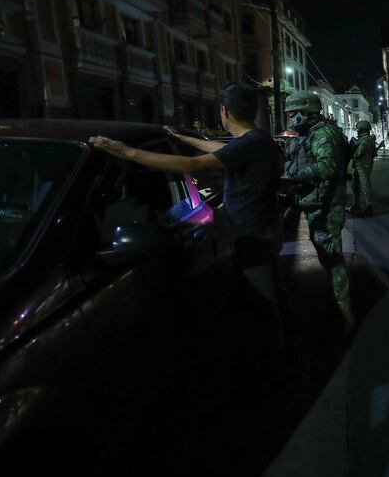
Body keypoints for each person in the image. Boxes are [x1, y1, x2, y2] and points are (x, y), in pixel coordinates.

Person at [89, 82, 286, 375]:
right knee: (259, 300)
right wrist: (187, 138)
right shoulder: (258, 140)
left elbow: (191, 164)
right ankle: (271, 358)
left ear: (224, 112)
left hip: (253, 237)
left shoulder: (250, 144)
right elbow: (220, 149)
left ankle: (272, 369)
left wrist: (127, 153)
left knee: (263, 305)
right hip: (260, 231)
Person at [283, 90, 355, 334]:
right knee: (327, 255)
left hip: (326, 204)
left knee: (332, 257)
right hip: (315, 201)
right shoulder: (309, 135)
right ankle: (339, 305)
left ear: (308, 113)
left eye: (294, 114)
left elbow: (328, 165)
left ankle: (347, 316)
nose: (291, 119)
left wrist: (291, 176)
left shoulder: (322, 134)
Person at [347, 120, 376, 215]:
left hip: (363, 165)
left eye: (358, 129)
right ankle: (355, 204)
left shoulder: (366, 140)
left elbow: (357, 153)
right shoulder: (367, 139)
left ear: (362, 130)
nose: (357, 131)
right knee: (355, 186)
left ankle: (369, 206)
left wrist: (352, 148)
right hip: (359, 165)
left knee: (365, 185)